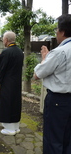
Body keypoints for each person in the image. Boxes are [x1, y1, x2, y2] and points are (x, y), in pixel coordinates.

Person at [34, 14, 71, 154]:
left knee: (53, 139)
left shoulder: (59, 52)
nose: (56, 33)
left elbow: (37, 74)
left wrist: (45, 58)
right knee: (68, 138)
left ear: (62, 32)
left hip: (58, 102)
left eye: (57, 30)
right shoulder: (58, 53)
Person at [0, 31, 24, 135]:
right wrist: (0, 57)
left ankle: (9, 129)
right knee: (15, 103)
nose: (3, 41)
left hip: (8, 82)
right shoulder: (20, 51)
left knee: (7, 103)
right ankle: (16, 127)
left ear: (6, 40)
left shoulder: (6, 52)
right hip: (17, 82)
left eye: (3, 39)